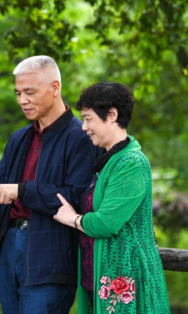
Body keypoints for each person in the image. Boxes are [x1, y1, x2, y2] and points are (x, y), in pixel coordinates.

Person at [0, 56, 99, 313]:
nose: (22, 100)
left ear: (55, 87)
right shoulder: (19, 138)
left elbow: (76, 198)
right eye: (18, 93)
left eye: (30, 92)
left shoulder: (81, 136)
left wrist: (22, 190)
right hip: (9, 246)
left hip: (51, 253)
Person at [54, 82, 170, 314]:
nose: (84, 127)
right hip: (99, 278)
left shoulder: (131, 164)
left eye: (88, 119)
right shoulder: (108, 160)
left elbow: (106, 223)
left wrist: (71, 218)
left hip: (124, 277)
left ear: (112, 114)